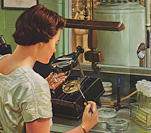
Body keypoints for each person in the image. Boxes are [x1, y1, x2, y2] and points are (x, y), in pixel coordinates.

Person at [0, 4, 98, 133]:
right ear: (41, 41)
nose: (54, 50)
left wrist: (43, 87)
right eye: (55, 42)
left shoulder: (2, 60)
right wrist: (85, 126)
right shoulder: (34, 85)